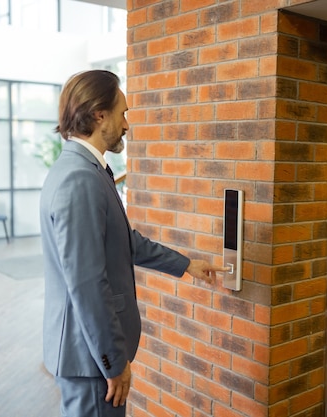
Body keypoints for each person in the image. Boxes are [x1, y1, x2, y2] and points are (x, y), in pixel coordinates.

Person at [39, 70, 227, 417]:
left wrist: (187, 265)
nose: (127, 124)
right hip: (92, 357)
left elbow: (126, 243)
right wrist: (113, 362)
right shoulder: (80, 179)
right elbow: (87, 284)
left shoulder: (83, 170)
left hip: (88, 354)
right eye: (123, 113)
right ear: (100, 115)